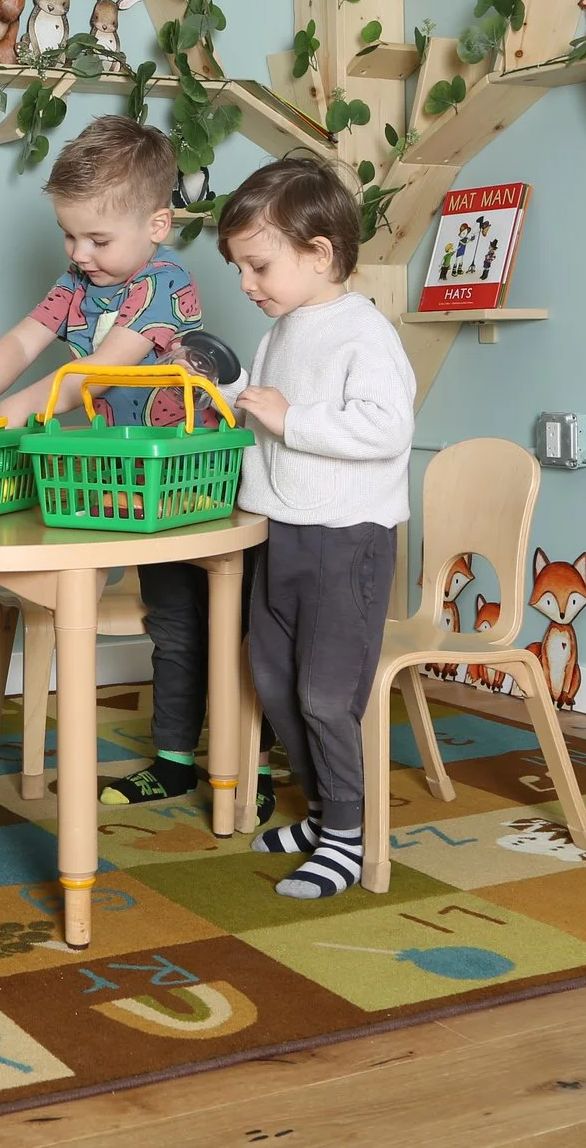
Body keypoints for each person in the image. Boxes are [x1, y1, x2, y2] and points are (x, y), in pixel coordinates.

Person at [0, 115, 263, 816]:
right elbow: (22, 341)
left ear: (157, 223)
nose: (78, 252)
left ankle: (249, 763)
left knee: (228, 626)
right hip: (130, 480)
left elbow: (86, 376)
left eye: (96, 238)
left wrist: (4, 416)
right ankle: (176, 760)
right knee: (171, 623)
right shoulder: (78, 282)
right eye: (69, 234)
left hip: (189, 483)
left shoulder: (163, 285)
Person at [216, 156, 416, 897]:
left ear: (321, 252)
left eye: (258, 265)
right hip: (288, 532)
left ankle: (347, 834)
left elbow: (386, 427)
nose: (247, 283)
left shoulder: (363, 334)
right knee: (271, 676)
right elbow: (268, 405)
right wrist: (229, 385)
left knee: (327, 695)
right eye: (240, 267)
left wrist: (287, 416)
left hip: (347, 539)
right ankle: (328, 805)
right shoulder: (286, 328)